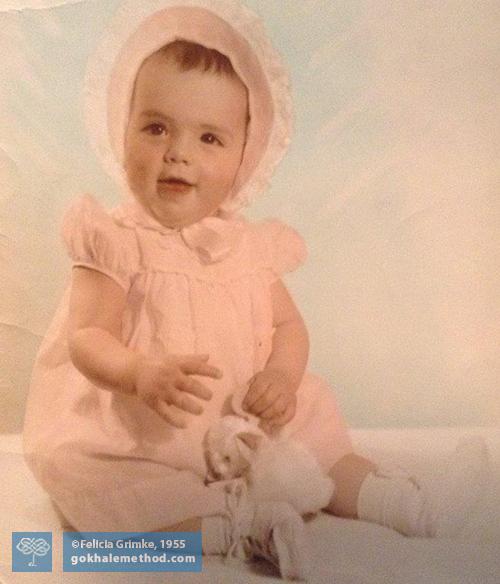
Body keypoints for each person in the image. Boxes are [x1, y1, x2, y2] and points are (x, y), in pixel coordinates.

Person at [23, 0, 489, 579]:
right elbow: (87, 336)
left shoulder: (250, 248)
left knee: (312, 426)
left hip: (239, 418)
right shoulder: (115, 241)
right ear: (124, 129)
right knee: (101, 486)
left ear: (246, 157)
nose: (179, 152)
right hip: (144, 432)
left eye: (210, 138)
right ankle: (236, 527)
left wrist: (280, 379)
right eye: (157, 127)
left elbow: (289, 327)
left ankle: (405, 505)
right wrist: (140, 373)